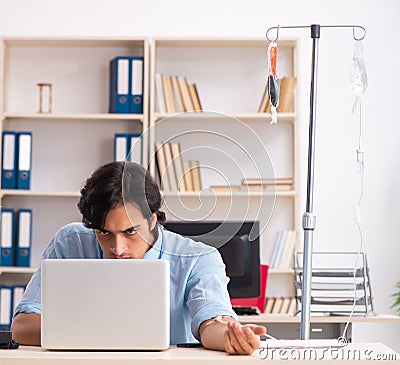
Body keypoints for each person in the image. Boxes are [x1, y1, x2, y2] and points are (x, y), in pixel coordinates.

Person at [11, 161, 266, 354]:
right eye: (104, 233)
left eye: (130, 231)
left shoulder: (199, 259)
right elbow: (22, 327)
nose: (118, 248)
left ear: (153, 218)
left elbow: (211, 324)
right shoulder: (71, 242)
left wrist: (230, 337)